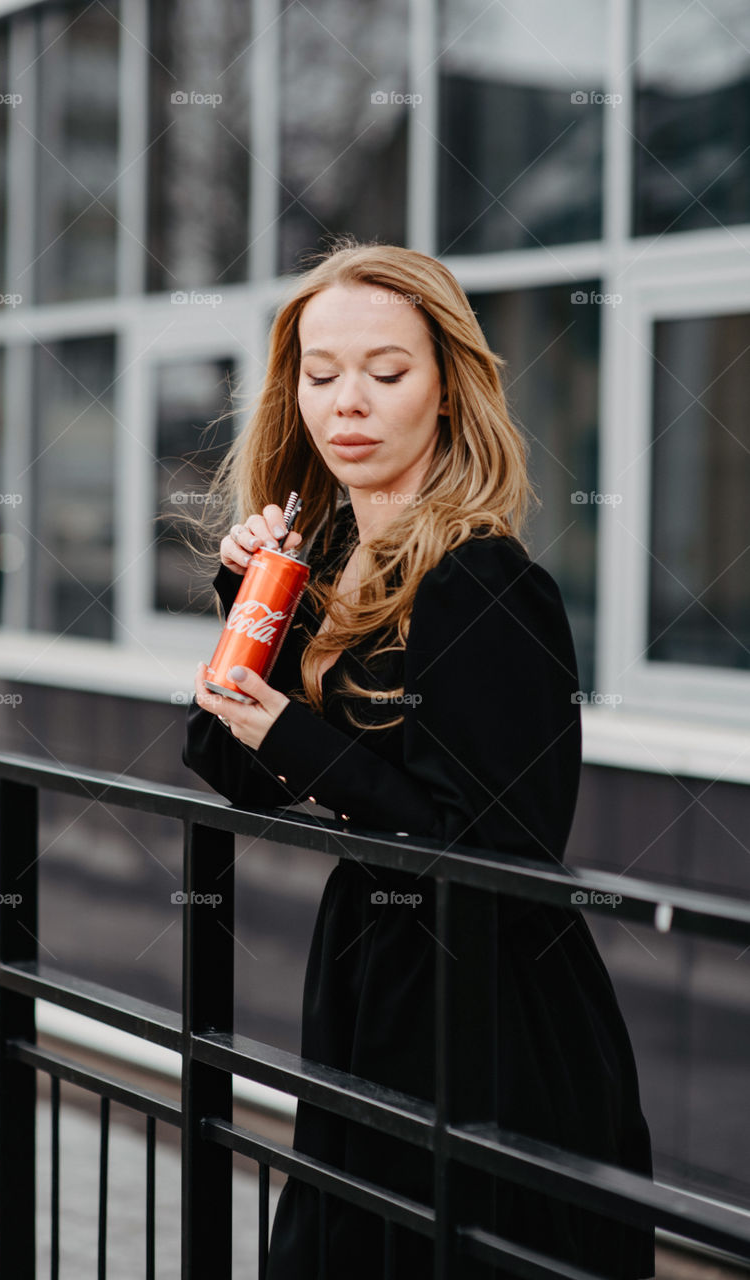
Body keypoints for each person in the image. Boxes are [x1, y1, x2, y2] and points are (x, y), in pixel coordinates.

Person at [180, 239, 655, 1279]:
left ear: (446, 390)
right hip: (375, 975)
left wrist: (294, 732)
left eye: (386, 372)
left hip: (483, 1010)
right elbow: (230, 757)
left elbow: (491, 843)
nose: (347, 401)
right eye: (319, 373)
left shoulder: (481, 580)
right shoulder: (342, 560)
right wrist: (257, 605)